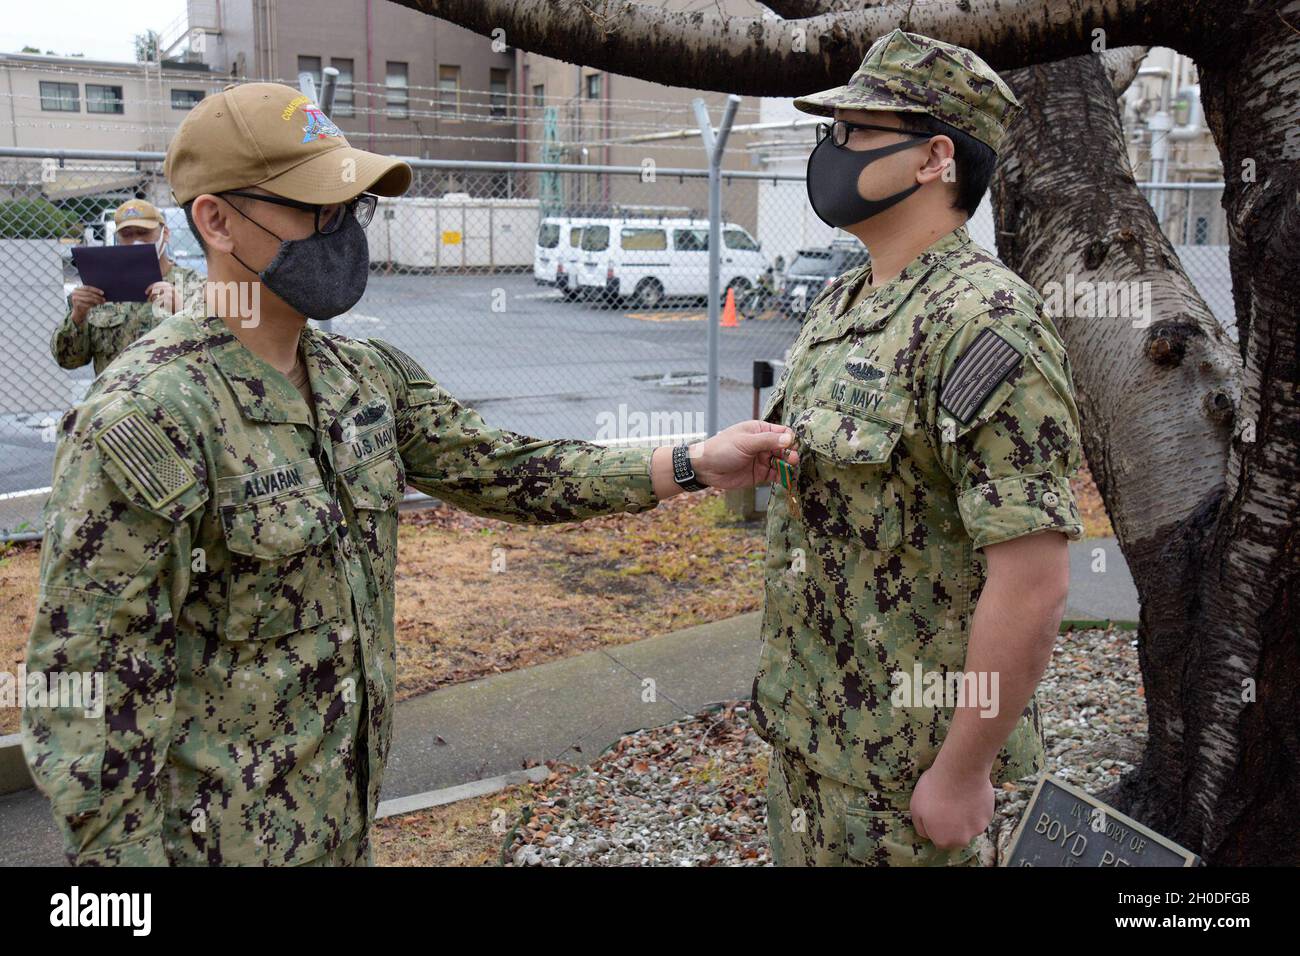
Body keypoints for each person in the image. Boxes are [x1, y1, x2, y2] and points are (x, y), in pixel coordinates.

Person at [21, 82, 797, 866]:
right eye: (311, 209)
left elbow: (505, 470)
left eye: (349, 210)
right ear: (216, 219)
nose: (339, 233)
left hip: (342, 829)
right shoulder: (147, 415)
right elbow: (87, 693)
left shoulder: (362, 376)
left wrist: (694, 463)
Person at [753, 30, 1084, 866]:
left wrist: (962, 772)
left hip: (907, 779)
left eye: (856, 132)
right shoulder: (842, 300)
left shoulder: (986, 324)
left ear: (935, 157)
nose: (832, 152)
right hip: (812, 740)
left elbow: (1033, 581)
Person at [52, 198, 203, 375]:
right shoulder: (98, 287)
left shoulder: (196, 285)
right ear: (118, 238)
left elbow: (214, 352)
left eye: (144, 232)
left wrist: (181, 312)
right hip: (116, 399)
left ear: (165, 234)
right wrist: (78, 316)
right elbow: (68, 360)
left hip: (174, 399)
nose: (136, 241)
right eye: (127, 235)